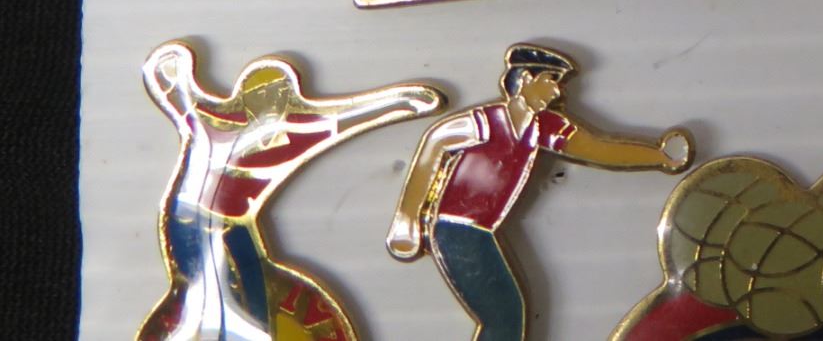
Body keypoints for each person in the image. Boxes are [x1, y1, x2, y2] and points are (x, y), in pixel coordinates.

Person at [138, 42, 441, 341]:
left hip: (236, 226)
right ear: (242, 97)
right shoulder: (213, 123)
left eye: (275, 97)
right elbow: (177, 94)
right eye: (257, 95)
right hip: (190, 219)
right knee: (211, 291)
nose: (266, 106)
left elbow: (353, 115)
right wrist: (172, 69)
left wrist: (405, 102)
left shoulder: (296, 129)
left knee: (254, 289)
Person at [388, 44, 692, 341]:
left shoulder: (543, 126)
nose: (558, 92)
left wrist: (657, 156)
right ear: (525, 79)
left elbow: (597, 148)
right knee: (505, 314)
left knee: (507, 315)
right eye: (551, 81)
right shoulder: (486, 121)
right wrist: (407, 219)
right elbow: (435, 140)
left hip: (480, 233)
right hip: (456, 230)